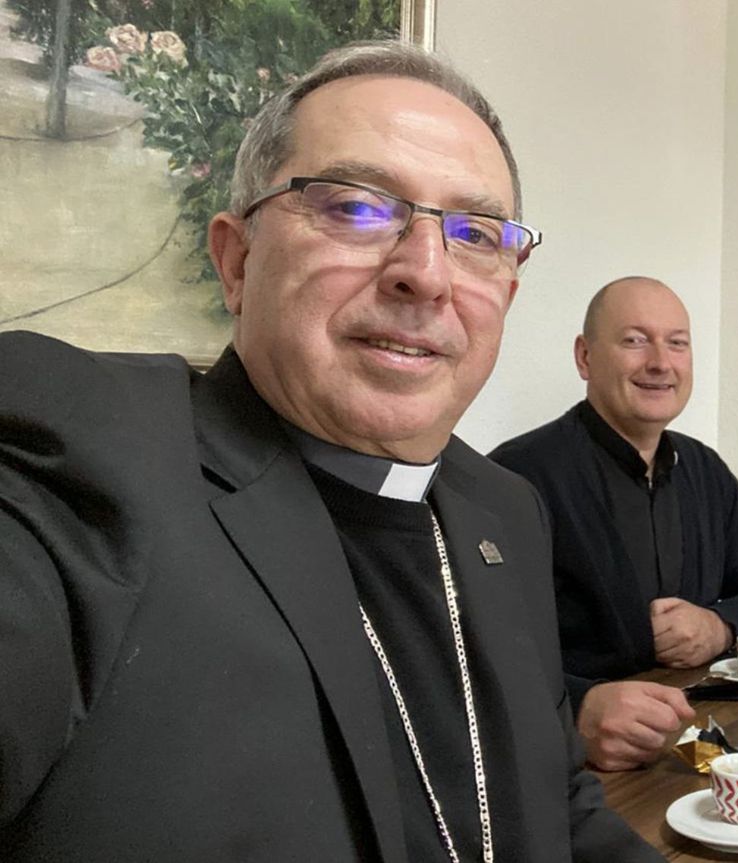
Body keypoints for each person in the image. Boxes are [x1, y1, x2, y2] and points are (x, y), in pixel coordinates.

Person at [0, 41, 661, 862]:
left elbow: (558, 807)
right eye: (355, 206)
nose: (427, 274)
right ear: (235, 260)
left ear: (507, 295)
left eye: (475, 233)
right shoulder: (80, 463)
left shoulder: (507, 510)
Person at [491, 277, 738, 771]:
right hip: (577, 763)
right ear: (585, 357)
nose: (660, 362)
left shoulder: (703, 469)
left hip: (699, 743)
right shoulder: (515, 477)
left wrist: (720, 625)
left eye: (677, 343)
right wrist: (579, 708)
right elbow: (473, 651)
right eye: (634, 340)